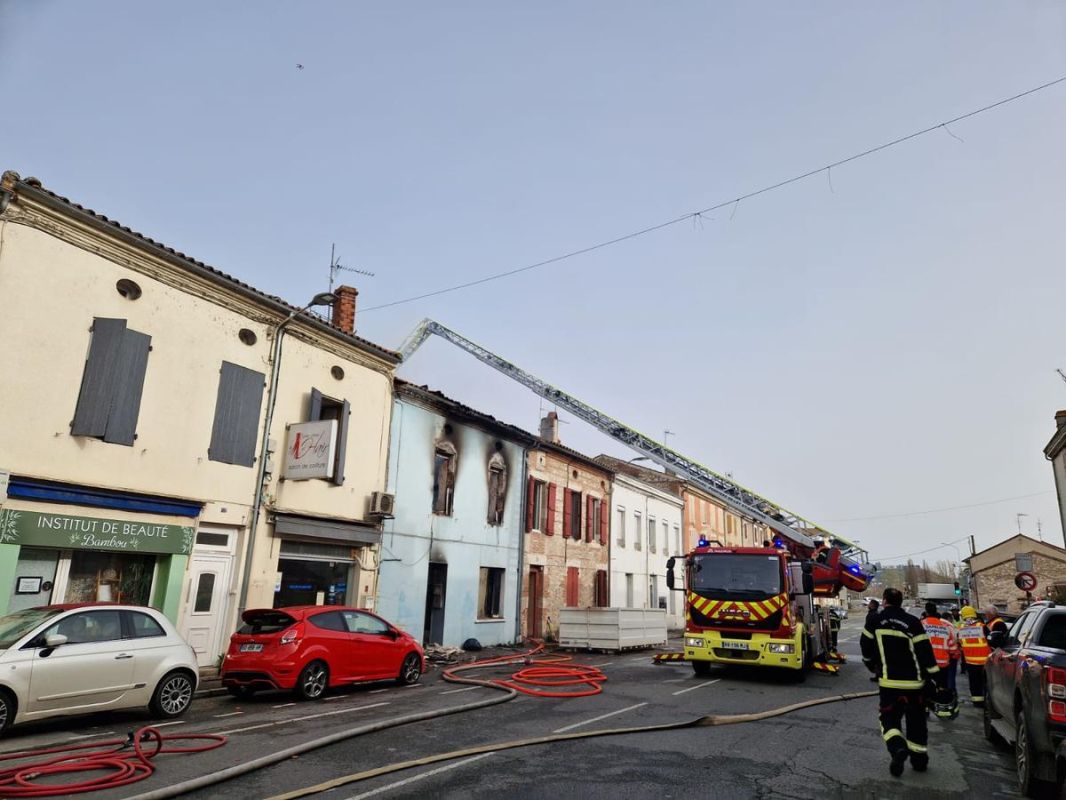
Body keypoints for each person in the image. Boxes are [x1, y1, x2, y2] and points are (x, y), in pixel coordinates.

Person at [861, 588, 940, 776]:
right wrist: (937, 680)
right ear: (901, 602)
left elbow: (865, 647)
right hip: (915, 685)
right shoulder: (913, 622)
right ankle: (919, 760)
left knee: (888, 719)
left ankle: (897, 748)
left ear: (884, 600)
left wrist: (872, 666)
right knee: (917, 723)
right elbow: (925, 652)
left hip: (889, 684)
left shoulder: (874, 620)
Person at [921, 602, 959, 719]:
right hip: (943, 663)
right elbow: (953, 647)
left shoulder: (921, 624)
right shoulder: (945, 626)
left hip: (926, 662)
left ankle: (925, 709)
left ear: (926, 612)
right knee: (942, 687)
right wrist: (953, 657)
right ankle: (943, 710)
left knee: (924, 685)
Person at [957, 605, 991, 706]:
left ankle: (977, 701)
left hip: (970, 661)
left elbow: (959, 644)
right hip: (985, 661)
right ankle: (987, 701)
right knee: (985, 682)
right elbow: (991, 640)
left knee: (974, 682)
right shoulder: (981, 626)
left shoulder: (961, 628)